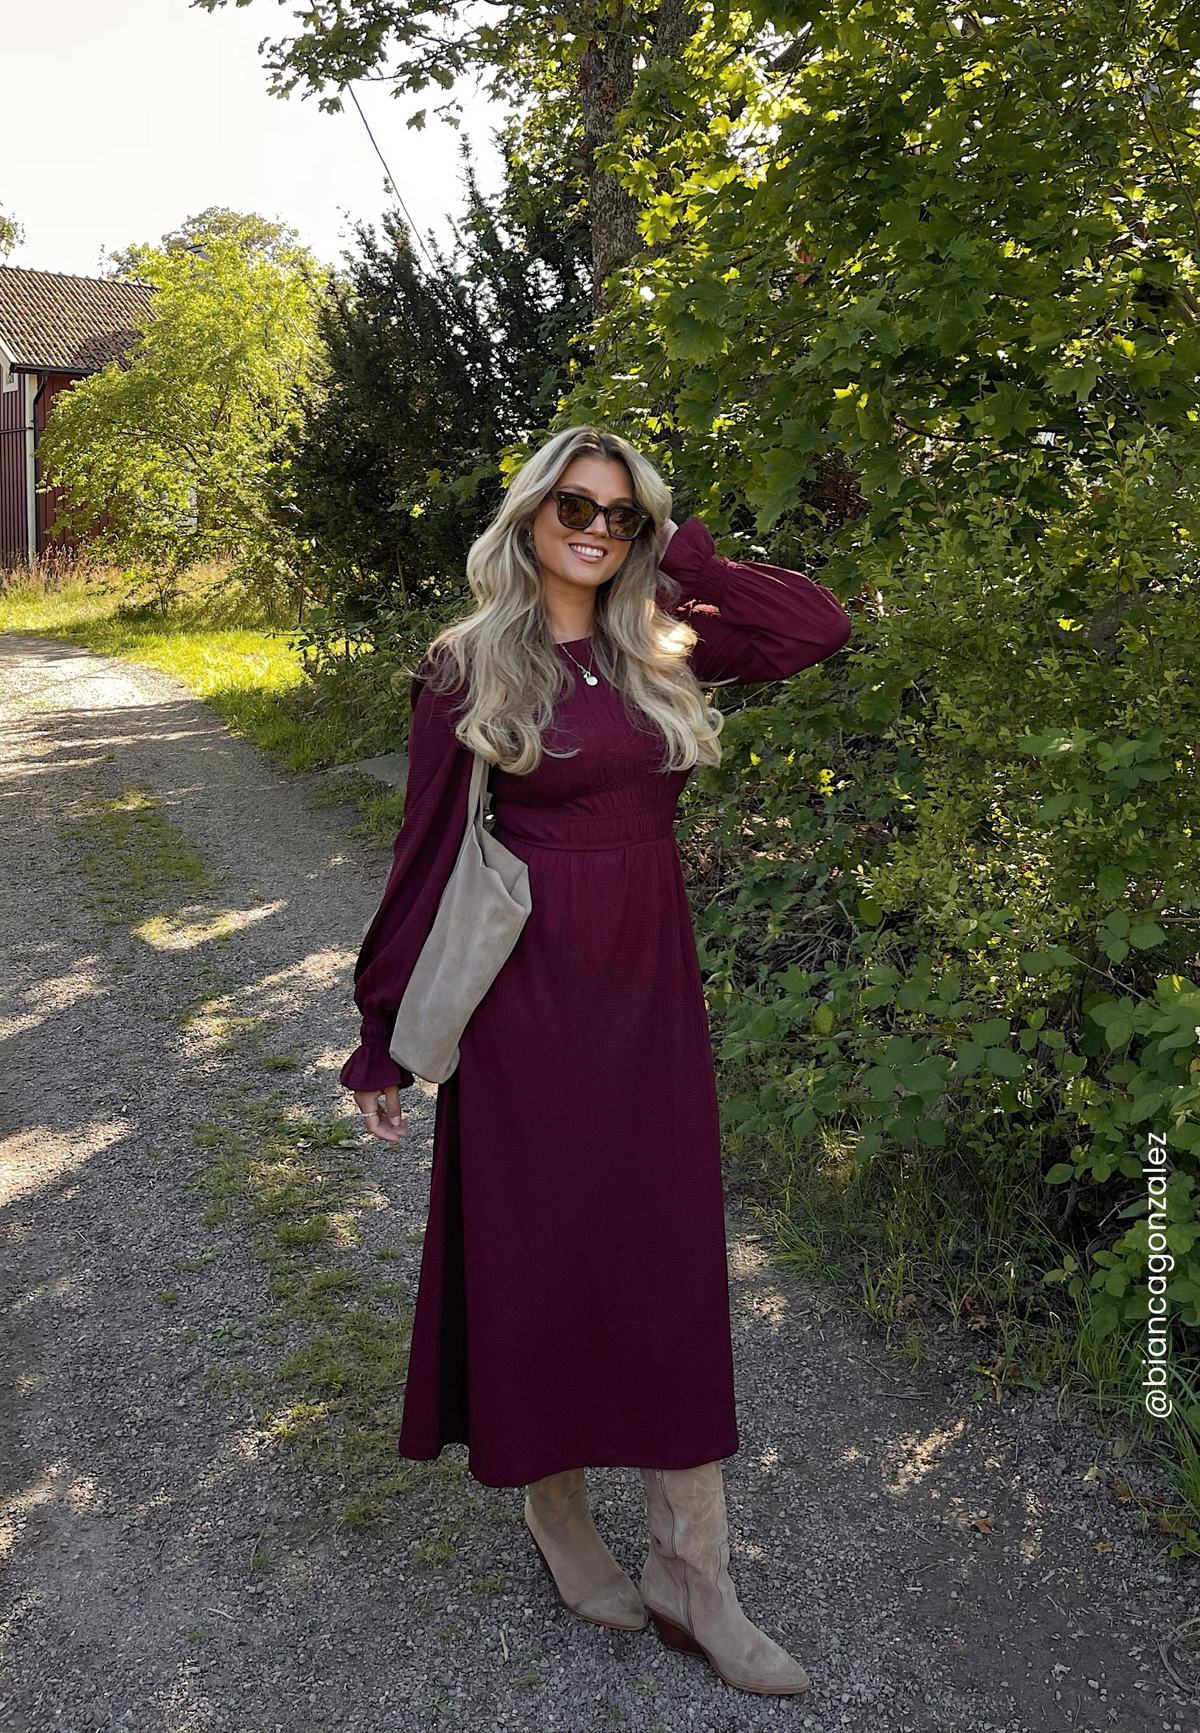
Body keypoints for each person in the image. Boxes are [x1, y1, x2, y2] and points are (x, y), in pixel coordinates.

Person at [340, 425, 851, 1695]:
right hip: (527, 1001)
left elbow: (816, 628)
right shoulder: (468, 665)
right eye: (577, 504)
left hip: (649, 989)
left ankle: (694, 1572)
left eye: (623, 514)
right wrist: (380, 1035)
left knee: (666, 1254)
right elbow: (423, 853)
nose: (598, 529)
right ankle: (557, 1510)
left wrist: (693, 559)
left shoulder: (662, 638)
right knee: (543, 1253)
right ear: (530, 513)